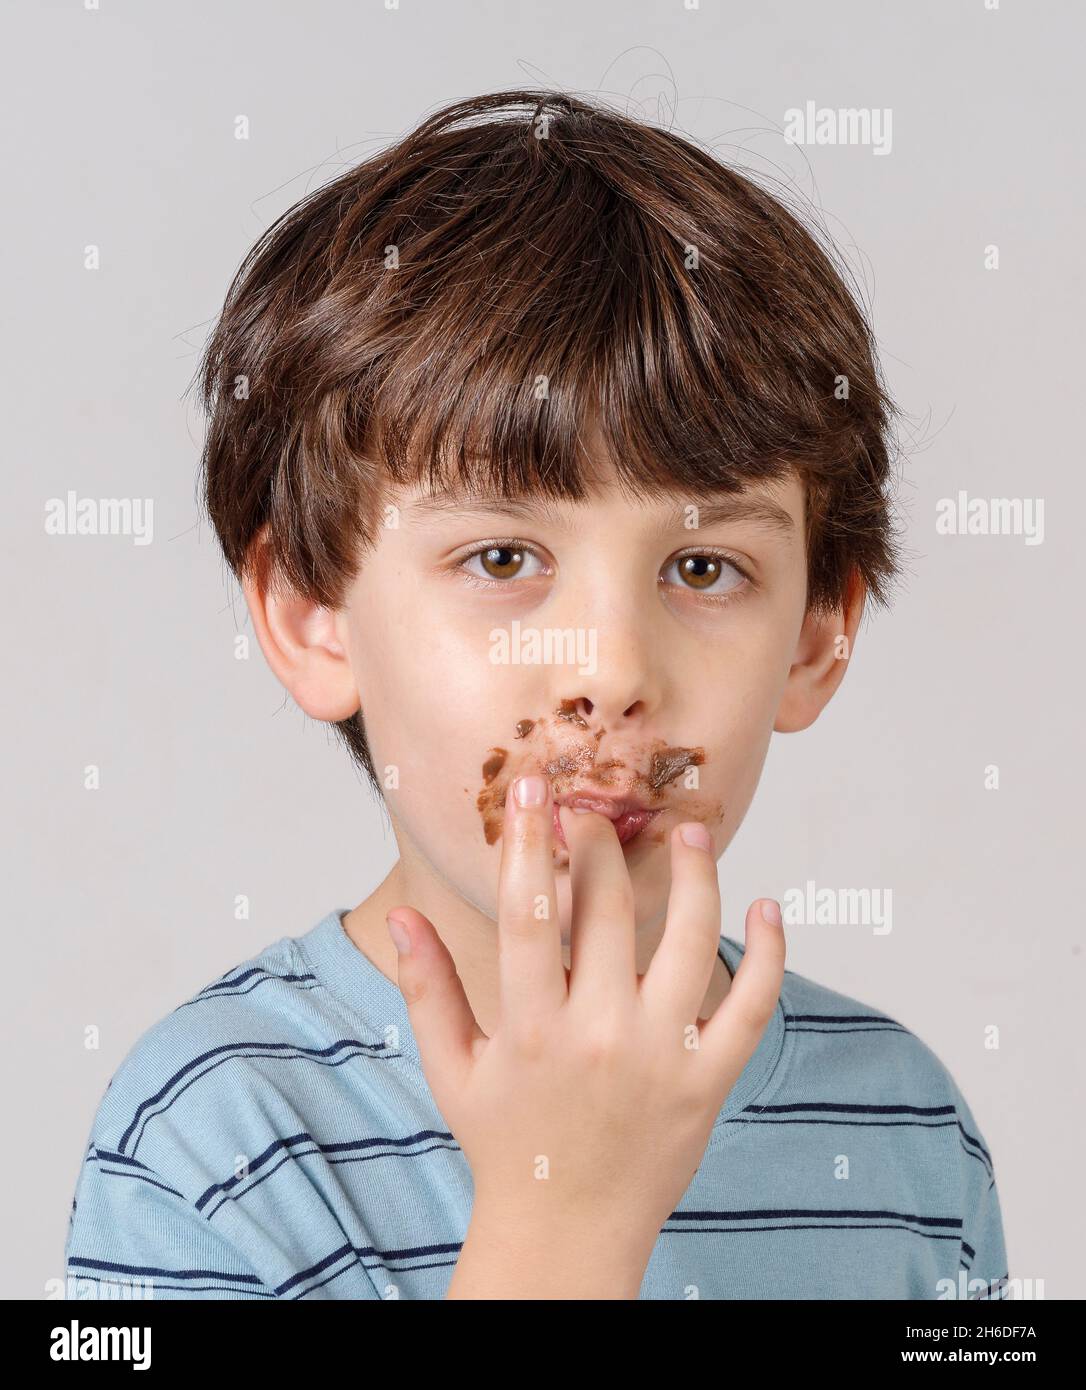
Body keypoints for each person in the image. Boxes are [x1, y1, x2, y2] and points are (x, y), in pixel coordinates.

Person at [63, 89, 1008, 1300]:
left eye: (704, 567)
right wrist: (565, 1221)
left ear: (819, 633)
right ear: (311, 613)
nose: (611, 671)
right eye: (502, 559)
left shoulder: (908, 1130)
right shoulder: (216, 1142)